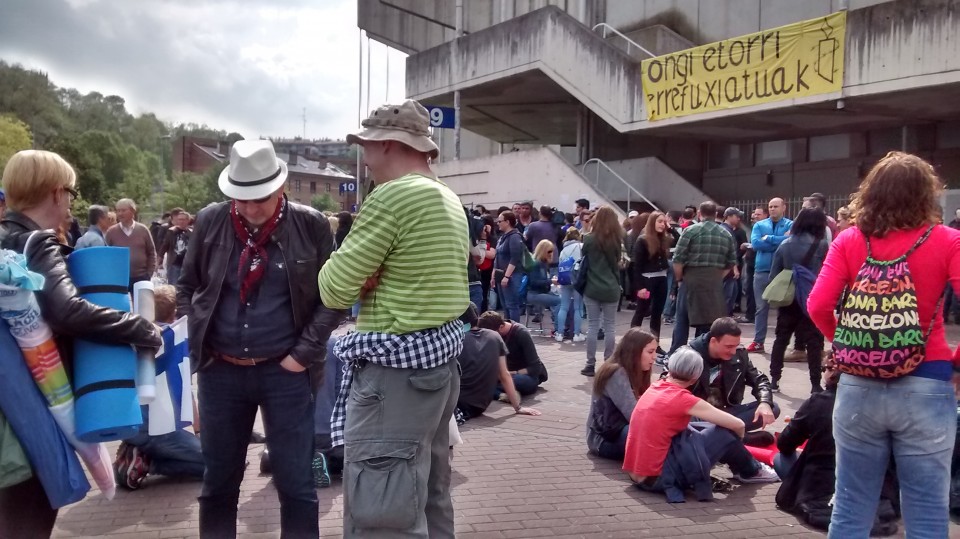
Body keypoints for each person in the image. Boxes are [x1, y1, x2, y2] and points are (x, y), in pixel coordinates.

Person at [317, 100, 469, 538]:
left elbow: (332, 288)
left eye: (366, 146)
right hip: (437, 364)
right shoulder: (447, 197)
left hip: (394, 376)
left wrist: (351, 274)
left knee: (382, 510)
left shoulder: (393, 196)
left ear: (386, 144)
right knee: (429, 493)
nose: (364, 158)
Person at [177, 139, 341, 538]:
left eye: (260, 199)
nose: (250, 208)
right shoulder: (211, 221)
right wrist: (200, 348)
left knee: (297, 485)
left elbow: (334, 299)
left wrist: (302, 355)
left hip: (287, 373)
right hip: (221, 371)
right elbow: (186, 287)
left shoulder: (312, 225)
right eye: (242, 199)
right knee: (218, 484)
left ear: (280, 188)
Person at [0, 150, 161, 538]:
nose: (72, 201)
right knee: (27, 519)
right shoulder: (36, 242)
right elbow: (67, 310)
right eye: (70, 192)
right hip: (30, 401)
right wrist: (138, 327)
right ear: (56, 194)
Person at [808, 151, 960, 538]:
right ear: (927, 195)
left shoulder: (849, 241)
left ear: (870, 193)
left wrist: (844, 346)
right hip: (928, 382)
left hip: (859, 385)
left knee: (850, 505)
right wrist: (956, 364)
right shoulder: (948, 241)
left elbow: (819, 304)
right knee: (926, 508)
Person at [624, 347, 778, 501]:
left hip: (636, 474)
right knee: (726, 432)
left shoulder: (655, 387)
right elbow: (738, 425)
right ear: (696, 376)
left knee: (705, 429)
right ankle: (750, 470)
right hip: (657, 479)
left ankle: (746, 465)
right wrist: (735, 442)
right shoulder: (683, 399)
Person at [774, 357, 900, 535]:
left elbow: (785, 444)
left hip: (821, 484)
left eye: (825, 367)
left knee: (780, 458)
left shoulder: (818, 402)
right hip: (873, 484)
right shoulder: (885, 403)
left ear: (832, 372)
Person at [114, 284, 204, 490]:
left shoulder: (133, 336)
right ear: (174, 314)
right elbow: (184, 392)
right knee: (223, 466)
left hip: (131, 424)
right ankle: (149, 463)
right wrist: (199, 432)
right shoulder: (172, 342)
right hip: (158, 430)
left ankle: (140, 452)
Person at [768, 208, 830, 393]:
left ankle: (774, 379)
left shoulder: (785, 244)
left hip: (789, 300)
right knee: (814, 343)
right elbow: (827, 274)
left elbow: (774, 275)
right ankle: (815, 384)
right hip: (813, 298)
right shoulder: (822, 245)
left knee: (781, 340)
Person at [681, 317, 779, 431]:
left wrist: (764, 402)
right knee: (690, 421)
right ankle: (734, 435)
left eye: (736, 345)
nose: (733, 351)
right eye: (729, 347)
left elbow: (759, 379)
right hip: (698, 415)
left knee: (772, 407)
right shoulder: (688, 355)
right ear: (713, 341)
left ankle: (721, 434)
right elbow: (669, 391)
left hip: (727, 413)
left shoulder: (739, 354)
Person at [668, 201, 737, 354]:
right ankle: (701, 353)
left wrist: (680, 279)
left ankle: (676, 354)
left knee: (682, 320)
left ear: (699, 213)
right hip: (714, 281)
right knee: (708, 320)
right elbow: (731, 262)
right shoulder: (725, 234)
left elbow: (678, 260)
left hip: (691, 278)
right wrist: (717, 276)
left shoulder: (691, 231)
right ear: (716, 215)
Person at [456, 304, 541, 422]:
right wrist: (518, 407)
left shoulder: (457, 339)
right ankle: (502, 394)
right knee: (491, 381)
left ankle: (501, 392)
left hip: (460, 401)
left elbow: (536, 368)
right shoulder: (495, 336)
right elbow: (504, 374)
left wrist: (514, 372)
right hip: (481, 402)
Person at [587, 328, 657, 460]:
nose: (655, 357)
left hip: (621, 428)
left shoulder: (638, 370)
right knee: (652, 435)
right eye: (650, 352)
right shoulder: (616, 372)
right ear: (634, 352)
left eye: (655, 351)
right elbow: (634, 414)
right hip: (604, 438)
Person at [580, 206, 623, 377]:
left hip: (591, 286)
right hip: (611, 286)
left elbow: (584, 256)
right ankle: (608, 363)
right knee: (610, 326)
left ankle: (590, 364)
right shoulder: (616, 241)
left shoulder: (589, 239)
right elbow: (617, 264)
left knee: (592, 325)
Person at [747, 197, 792, 353]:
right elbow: (756, 244)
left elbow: (791, 242)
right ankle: (758, 341)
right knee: (761, 308)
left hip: (781, 272)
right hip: (762, 270)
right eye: (770, 206)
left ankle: (781, 342)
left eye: (776, 206)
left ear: (783, 207)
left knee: (783, 308)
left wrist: (770, 239)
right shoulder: (759, 225)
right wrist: (780, 241)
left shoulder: (790, 224)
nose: (773, 209)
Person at [477, 311, 549, 397]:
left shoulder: (521, 333)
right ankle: (501, 394)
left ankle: (496, 391)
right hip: (503, 374)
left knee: (521, 382)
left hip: (523, 375)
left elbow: (536, 367)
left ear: (501, 327)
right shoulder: (493, 335)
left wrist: (512, 373)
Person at [630, 211, 670, 347]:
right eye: (659, 221)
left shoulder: (663, 238)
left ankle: (655, 344)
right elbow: (637, 266)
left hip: (661, 279)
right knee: (641, 310)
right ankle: (633, 342)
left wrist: (670, 228)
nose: (663, 225)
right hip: (647, 281)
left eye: (664, 222)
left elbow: (676, 238)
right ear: (652, 222)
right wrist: (640, 287)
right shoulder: (643, 240)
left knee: (657, 313)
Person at [105, 198, 157, 290]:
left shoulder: (143, 230)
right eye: (118, 211)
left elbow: (151, 252)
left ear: (133, 211)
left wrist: (149, 274)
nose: (120, 214)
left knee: (140, 304)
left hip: (141, 277)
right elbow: (106, 255)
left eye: (123, 210)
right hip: (119, 279)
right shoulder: (111, 232)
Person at [493, 210, 525, 322]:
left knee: (512, 304)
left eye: (500, 221)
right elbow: (497, 257)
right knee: (505, 305)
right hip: (501, 274)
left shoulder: (515, 237)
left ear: (507, 222)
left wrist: (507, 276)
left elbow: (515, 258)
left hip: (511, 275)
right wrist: (494, 275)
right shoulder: (502, 237)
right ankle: (507, 328)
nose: (498, 223)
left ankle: (515, 329)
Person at [556, 227, 585, 342]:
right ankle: (577, 334)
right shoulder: (581, 246)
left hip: (565, 279)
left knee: (563, 307)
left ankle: (559, 333)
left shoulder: (563, 250)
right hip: (577, 279)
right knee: (578, 307)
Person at [527, 239, 561, 335]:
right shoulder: (536, 264)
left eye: (552, 251)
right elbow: (534, 282)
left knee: (562, 300)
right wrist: (551, 281)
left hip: (539, 292)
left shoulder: (542, 264)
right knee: (559, 302)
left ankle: (560, 327)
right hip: (534, 294)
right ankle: (558, 329)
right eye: (549, 251)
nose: (551, 254)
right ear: (543, 251)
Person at [742, 206, 768, 323]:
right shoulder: (756, 227)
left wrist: (749, 246)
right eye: (755, 214)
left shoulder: (766, 228)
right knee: (749, 289)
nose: (755, 216)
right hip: (751, 261)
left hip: (759, 263)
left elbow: (760, 244)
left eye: (758, 214)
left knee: (754, 290)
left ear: (765, 215)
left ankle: (752, 314)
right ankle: (750, 313)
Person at [720, 207, 747, 317]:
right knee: (727, 295)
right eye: (736, 216)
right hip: (728, 268)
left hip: (727, 268)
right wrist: (734, 268)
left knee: (731, 294)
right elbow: (730, 252)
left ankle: (725, 316)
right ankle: (723, 318)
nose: (739, 218)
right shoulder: (726, 231)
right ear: (729, 216)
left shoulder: (726, 229)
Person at [158, 210, 191, 287]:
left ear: (188, 220)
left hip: (187, 264)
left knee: (186, 287)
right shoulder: (172, 232)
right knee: (173, 286)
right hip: (174, 263)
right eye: (179, 219)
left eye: (183, 219)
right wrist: (159, 259)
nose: (181, 221)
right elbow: (165, 246)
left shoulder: (191, 233)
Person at [475, 215, 496, 312]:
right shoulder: (475, 237)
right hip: (477, 269)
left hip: (487, 269)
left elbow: (492, 254)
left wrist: (480, 251)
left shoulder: (492, 238)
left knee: (484, 294)